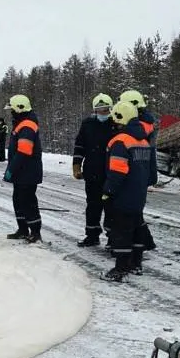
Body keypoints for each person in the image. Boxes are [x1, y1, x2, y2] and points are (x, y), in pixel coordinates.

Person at [102, 101, 152, 282]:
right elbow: (151, 172)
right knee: (137, 227)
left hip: (123, 194)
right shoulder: (143, 141)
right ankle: (136, 263)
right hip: (138, 194)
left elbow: (118, 171)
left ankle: (120, 268)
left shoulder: (120, 141)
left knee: (121, 230)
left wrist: (108, 190)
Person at [72, 93, 117, 247]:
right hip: (92, 172)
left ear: (110, 109)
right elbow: (80, 145)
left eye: (105, 110)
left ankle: (113, 238)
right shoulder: (88, 124)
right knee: (92, 205)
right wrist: (76, 165)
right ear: (94, 110)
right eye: (99, 110)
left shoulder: (116, 124)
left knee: (111, 207)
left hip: (111, 173)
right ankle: (92, 235)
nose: (103, 113)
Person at [119, 89, 158, 251]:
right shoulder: (147, 123)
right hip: (143, 170)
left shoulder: (138, 126)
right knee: (136, 212)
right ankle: (144, 243)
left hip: (135, 170)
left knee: (130, 213)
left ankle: (135, 247)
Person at [3, 94, 43, 243]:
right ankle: (23, 229)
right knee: (18, 200)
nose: (10, 112)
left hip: (28, 171)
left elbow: (24, 151)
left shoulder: (27, 125)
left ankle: (35, 232)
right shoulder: (21, 123)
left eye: (12, 109)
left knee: (28, 201)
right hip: (22, 171)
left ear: (19, 109)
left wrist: (11, 169)